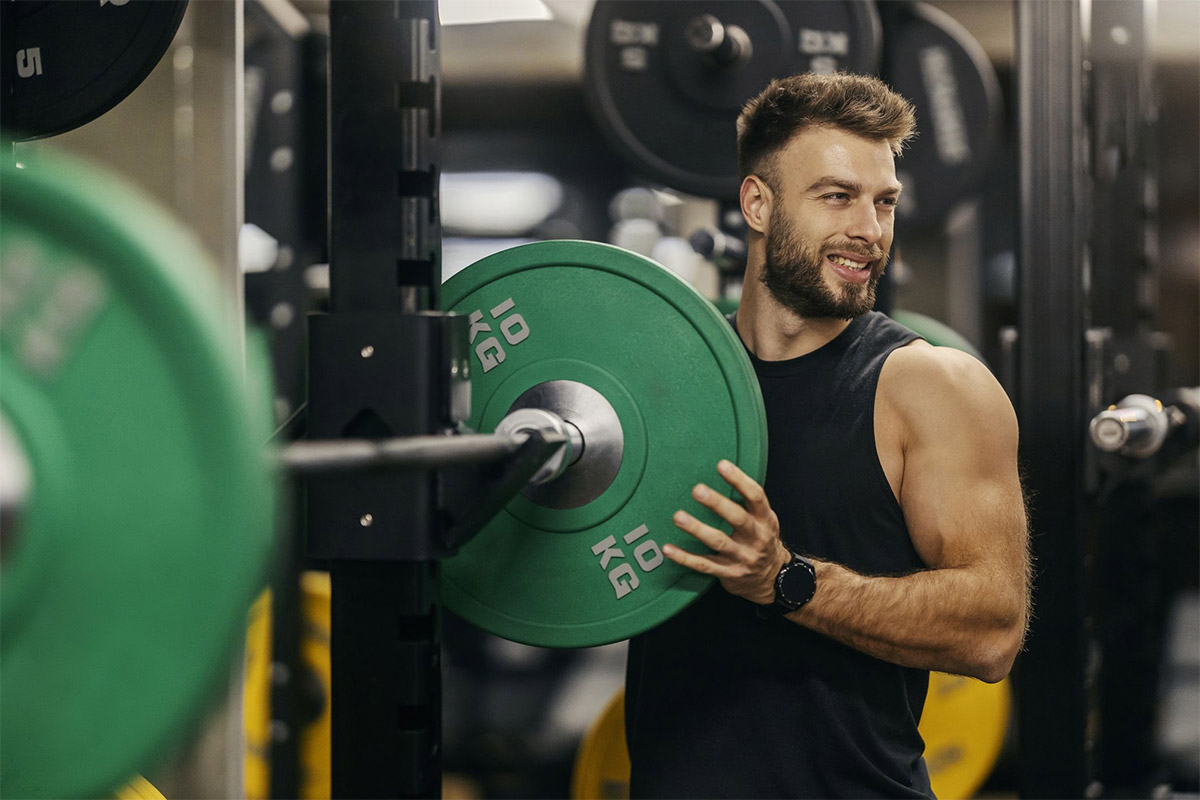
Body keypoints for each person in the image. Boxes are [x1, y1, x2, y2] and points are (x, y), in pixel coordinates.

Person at [624, 72, 1031, 798]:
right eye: (837, 197)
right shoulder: (665, 384)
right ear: (757, 203)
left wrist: (782, 580)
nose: (869, 232)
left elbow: (992, 630)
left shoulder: (931, 390)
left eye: (885, 203)